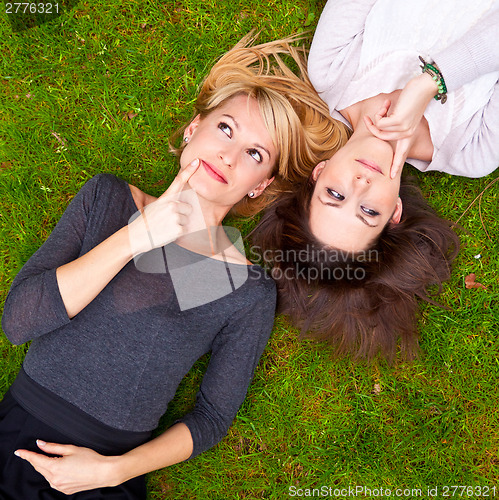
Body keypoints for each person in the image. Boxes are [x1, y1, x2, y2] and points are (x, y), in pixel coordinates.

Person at [0, 36, 346, 499]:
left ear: (259, 185)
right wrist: (136, 238)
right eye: (226, 129)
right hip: (15, 442)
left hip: (106, 476)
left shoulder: (243, 289)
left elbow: (212, 417)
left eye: (255, 154)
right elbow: (18, 322)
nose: (229, 155)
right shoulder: (108, 200)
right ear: (192, 128)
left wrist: (114, 472)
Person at [251, 0, 499, 360]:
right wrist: (431, 82)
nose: (361, 183)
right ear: (394, 213)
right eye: (367, 211)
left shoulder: (332, 71)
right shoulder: (473, 150)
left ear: (318, 173)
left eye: (335, 194)